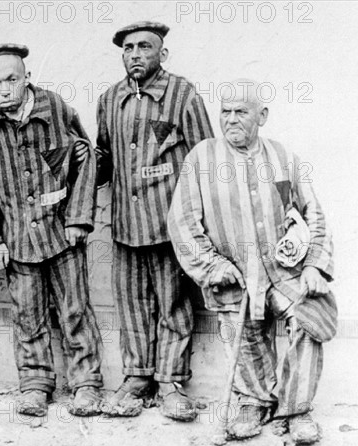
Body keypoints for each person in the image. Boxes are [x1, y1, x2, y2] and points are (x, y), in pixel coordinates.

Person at [168, 80, 337, 445]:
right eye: (225, 112)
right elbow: (182, 222)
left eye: (240, 112)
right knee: (241, 335)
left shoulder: (281, 157)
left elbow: (312, 212)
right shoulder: (202, 157)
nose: (230, 120)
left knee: (310, 317)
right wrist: (213, 266)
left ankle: (297, 408)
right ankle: (254, 401)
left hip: (282, 270)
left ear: (261, 116)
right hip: (235, 273)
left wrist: (313, 266)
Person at [0, 44, 104, 417]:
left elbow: (86, 159)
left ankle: (86, 383)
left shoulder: (56, 107)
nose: (5, 90)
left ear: (27, 77)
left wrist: (78, 218)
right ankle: (35, 384)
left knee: (74, 310)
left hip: (61, 232)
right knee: (27, 314)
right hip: (16, 237)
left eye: (12, 79)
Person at [95, 21, 214, 420]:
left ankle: (170, 382)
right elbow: (104, 159)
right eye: (128, 48)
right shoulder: (109, 98)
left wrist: (198, 224)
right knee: (131, 304)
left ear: (162, 54)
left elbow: (203, 159)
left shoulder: (183, 95)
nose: (135, 55)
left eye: (144, 47)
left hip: (169, 226)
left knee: (173, 304)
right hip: (125, 226)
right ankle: (137, 378)